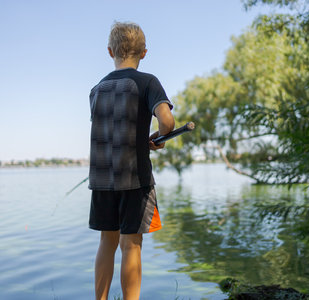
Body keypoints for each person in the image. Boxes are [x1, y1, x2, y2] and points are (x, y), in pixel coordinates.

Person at [88, 21, 175, 300]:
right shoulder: (148, 82)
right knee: (131, 246)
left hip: (102, 177)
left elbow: (115, 128)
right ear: (144, 53)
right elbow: (167, 121)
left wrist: (140, 138)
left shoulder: (96, 89)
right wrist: (158, 137)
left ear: (110, 51)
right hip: (134, 177)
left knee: (106, 241)